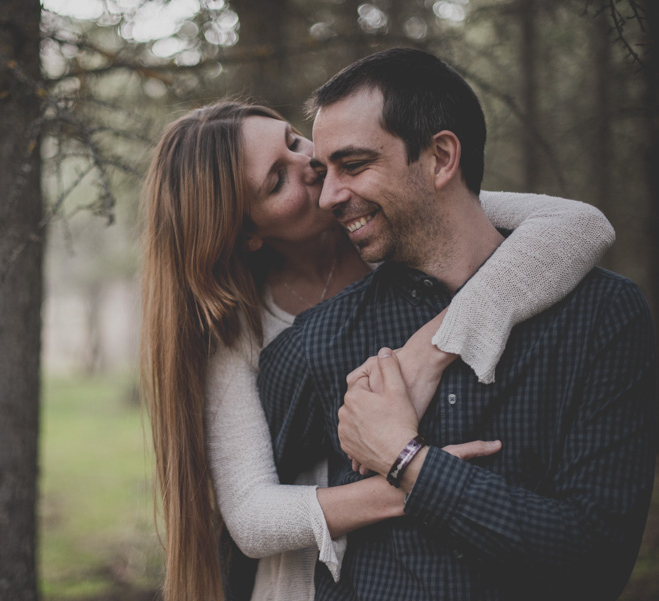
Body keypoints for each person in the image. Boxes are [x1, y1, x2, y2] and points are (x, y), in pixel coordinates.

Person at [140, 100, 615, 600]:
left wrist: (428, 350)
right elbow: (252, 516)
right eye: (277, 180)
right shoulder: (237, 329)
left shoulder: (394, 222)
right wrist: (419, 479)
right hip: (305, 584)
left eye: (294, 140)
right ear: (247, 234)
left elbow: (580, 226)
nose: (310, 162)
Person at [258, 48, 657, 601]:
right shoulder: (318, 342)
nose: (328, 198)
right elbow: (245, 518)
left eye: (354, 165)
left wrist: (407, 462)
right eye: (324, 173)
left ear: (442, 157)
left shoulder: (602, 315)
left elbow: (598, 563)